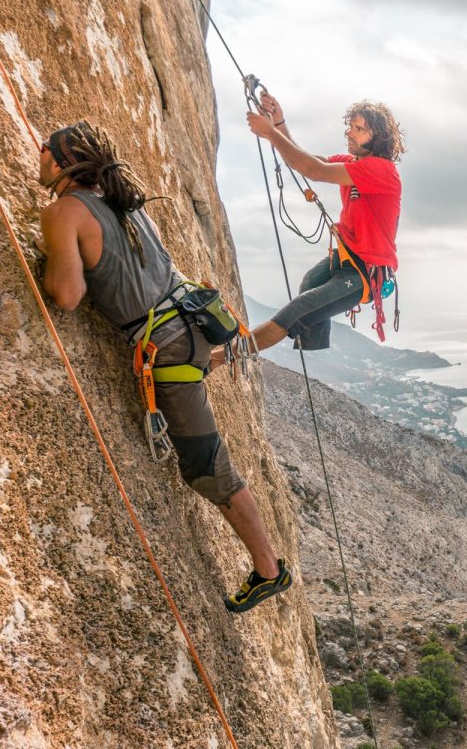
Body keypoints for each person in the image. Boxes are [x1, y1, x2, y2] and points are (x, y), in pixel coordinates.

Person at [37, 120, 291, 614]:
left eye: (44, 150)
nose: (38, 157)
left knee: (205, 467)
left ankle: (268, 570)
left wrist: (50, 253)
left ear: (63, 162)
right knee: (207, 459)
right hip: (193, 325)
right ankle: (266, 567)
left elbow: (67, 296)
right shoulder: (127, 206)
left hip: (167, 349)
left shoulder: (64, 212)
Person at [213, 93, 404, 368]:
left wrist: (271, 135)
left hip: (364, 271)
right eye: (350, 126)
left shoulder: (380, 170)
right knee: (309, 283)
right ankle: (312, 343)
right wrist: (279, 125)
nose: (350, 132)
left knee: (296, 311)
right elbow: (306, 161)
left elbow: (313, 169)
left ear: (379, 137)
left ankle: (218, 359)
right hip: (347, 258)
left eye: (359, 129)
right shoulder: (354, 164)